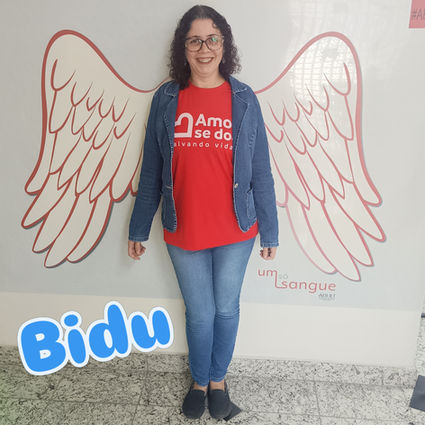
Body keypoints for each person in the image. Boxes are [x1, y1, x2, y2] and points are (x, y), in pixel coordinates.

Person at [128, 5, 278, 420]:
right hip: (184, 228)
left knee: (226, 309)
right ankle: (199, 380)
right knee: (200, 313)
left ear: (224, 45)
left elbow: (261, 169)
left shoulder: (244, 99)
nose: (204, 48)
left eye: (213, 39)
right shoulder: (166, 98)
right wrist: (138, 228)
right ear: (183, 48)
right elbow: (152, 168)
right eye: (194, 40)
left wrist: (270, 230)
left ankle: (218, 381)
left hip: (236, 229)